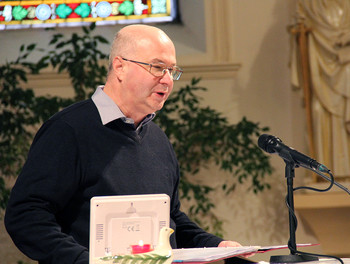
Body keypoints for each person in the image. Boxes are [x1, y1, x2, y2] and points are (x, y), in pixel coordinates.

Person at [5, 25, 247, 264]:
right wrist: (84, 261)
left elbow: (170, 221)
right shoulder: (68, 130)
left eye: (172, 70)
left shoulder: (158, 140)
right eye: (157, 67)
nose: (167, 79)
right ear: (120, 67)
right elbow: (26, 216)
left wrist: (216, 245)